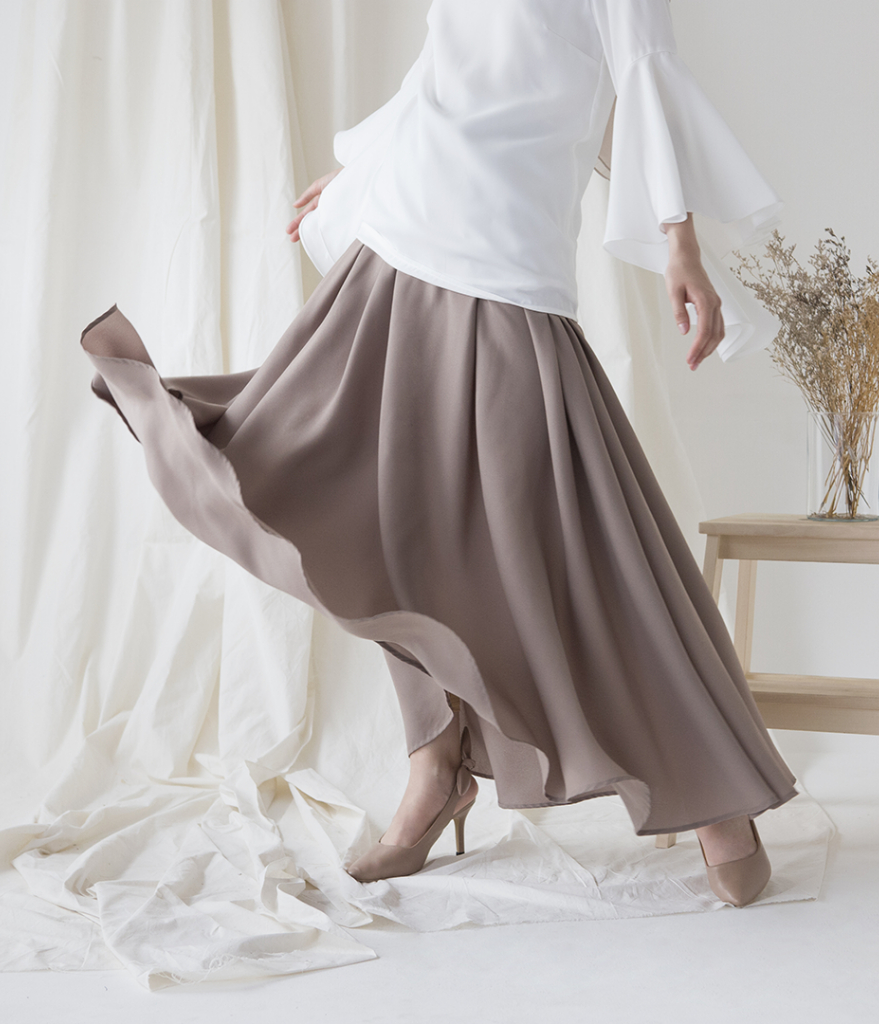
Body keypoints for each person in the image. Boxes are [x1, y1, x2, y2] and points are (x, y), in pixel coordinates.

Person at [81, 0, 796, 908]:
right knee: (378, 517)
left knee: (579, 539)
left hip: (508, 254)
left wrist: (679, 242)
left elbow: (645, 72)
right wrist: (359, 170)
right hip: (404, 229)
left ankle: (710, 781)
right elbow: (443, 66)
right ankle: (435, 765)